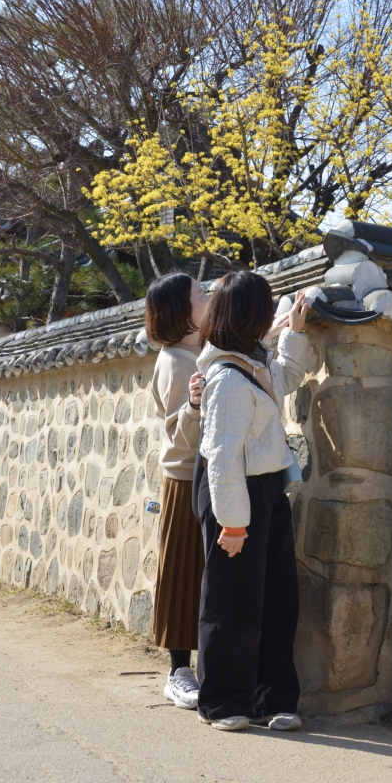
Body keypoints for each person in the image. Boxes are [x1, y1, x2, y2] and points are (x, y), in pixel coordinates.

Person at [195, 271, 310, 733]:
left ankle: (273, 699)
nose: (271, 317)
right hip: (235, 493)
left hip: (265, 489)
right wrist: (234, 524)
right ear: (250, 315)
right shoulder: (227, 378)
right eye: (266, 309)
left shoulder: (255, 362)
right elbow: (222, 458)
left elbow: (290, 377)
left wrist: (294, 334)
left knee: (278, 596)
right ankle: (224, 702)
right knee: (232, 600)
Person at [146, 273, 210, 709]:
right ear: (180, 311)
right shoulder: (173, 360)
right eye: (200, 294)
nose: (207, 297)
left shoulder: (201, 350)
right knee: (182, 570)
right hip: (185, 477)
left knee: (206, 572)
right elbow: (177, 434)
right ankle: (178, 671)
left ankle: (205, 665)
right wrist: (193, 405)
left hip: (210, 473)